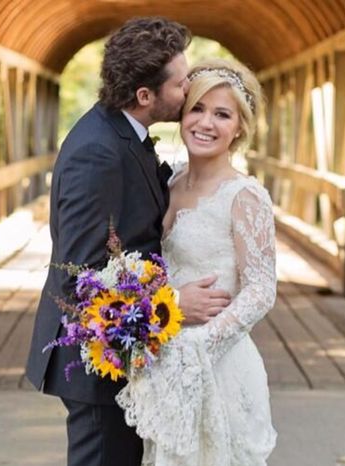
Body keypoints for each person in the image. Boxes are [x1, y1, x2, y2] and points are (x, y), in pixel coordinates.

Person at [25, 18, 232, 466]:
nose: (189, 90)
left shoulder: (121, 133)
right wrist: (172, 304)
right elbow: (79, 277)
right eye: (180, 84)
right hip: (95, 363)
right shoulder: (98, 152)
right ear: (144, 96)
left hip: (124, 356)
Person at [117, 58, 278, 465]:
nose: (206, 123)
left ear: (239, 127)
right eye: (198, 109)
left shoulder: (244, 196)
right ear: (182, 115)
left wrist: (200, 345)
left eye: (222, 114)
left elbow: (261, 289)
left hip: (217, 363)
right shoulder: (170, 182)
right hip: (166, 359)